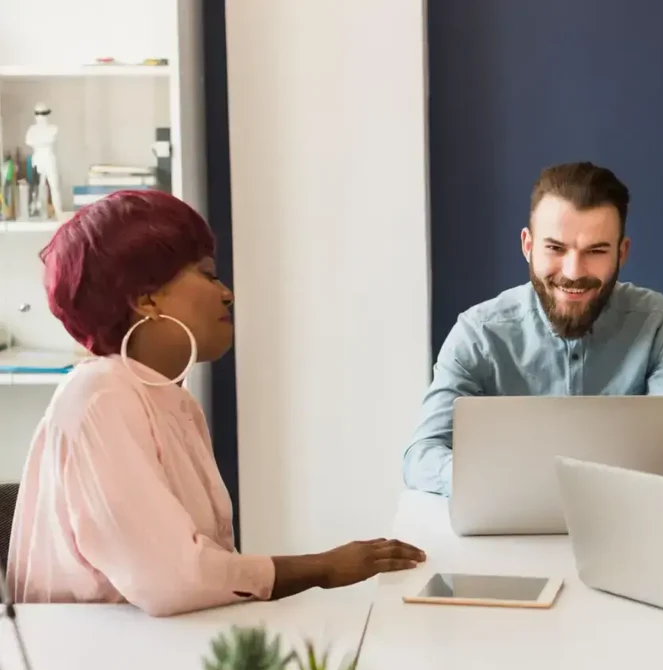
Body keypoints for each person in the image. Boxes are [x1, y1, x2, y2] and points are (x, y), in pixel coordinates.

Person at [6, 190, 426, 617]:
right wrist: (323, 567)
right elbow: (175, 580)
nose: (227, 294)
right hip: (89, 665)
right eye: (208, 275)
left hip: (156, 648)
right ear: (146, 299)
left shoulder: (172, 400)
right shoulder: (101, 397)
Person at [403, 161, 663, 496]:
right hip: (507, 520)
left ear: (621, 253)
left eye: (595, 251)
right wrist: (500, 483)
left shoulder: (661, 323)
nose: (574, 271)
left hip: (623, 525)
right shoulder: (478, 333)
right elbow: (422, 455)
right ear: (528, 246)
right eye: (555, 248)